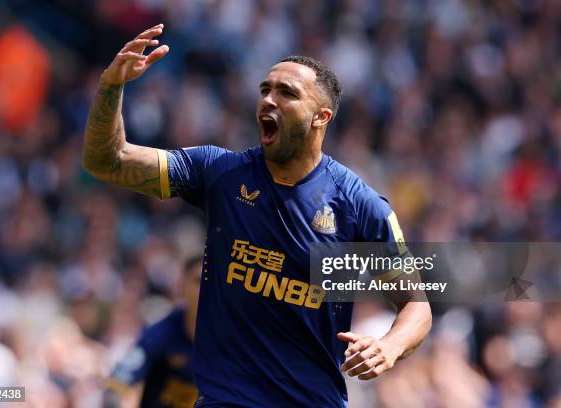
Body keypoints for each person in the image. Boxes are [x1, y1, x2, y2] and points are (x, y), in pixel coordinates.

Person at [82, 24, 432, 407]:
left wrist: (389, 347)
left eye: (287, 93)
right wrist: (111, 87)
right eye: (265, 89)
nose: (269, 100)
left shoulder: (359, 207)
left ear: (321, 117)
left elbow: (416, 304)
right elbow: (108, 161)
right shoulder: (219, 173)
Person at [103, 257, 202, 408]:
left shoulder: (232, 339)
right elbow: (119, 380)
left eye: (212, 283)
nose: (205, 290)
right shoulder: (162, 332)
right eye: (198, 281)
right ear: (182, 286)